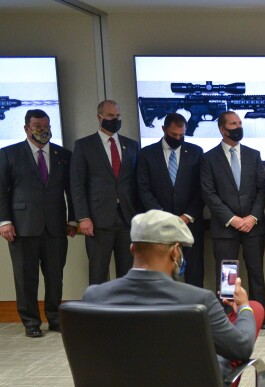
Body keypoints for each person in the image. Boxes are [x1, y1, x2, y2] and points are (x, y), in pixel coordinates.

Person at [82, 209, 265, 387]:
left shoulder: (94, 297)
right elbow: (240, 348)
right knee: (253, 314)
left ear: (132, 248)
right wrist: (245, 308)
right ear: (175, 252)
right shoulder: (198, 300)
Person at [0, 109, 76, 337]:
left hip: (55, 226)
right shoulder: (8, 154)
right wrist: (4, 221)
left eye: (46, 125)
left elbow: (72, 190)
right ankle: (31, 322)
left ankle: (54, 318)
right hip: (22, 226)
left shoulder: (63, 155)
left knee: (55, 275)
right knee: (26, 277)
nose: (43, 130)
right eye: (37, 126)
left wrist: (72, 219)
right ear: (26, 128)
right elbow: (1, 191)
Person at [200, 111, 265, 329]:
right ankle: (228, 318)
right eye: (233, 123)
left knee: (256, 272)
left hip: (253, 226)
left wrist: (253, 217)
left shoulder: (254, 154)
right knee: (228, 276)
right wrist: (232, 219)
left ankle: (260, 316)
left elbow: (262, 190)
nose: (238, 126)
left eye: (240, 123)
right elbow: (208, 193)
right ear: (222, 129)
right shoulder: (208, 158)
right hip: (225, 228)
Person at [70, 100, 140, 284]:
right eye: (110, 116)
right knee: (98, 271)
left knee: (127, 273)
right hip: (97, 220)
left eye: (118, 116)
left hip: (126, 219)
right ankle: (98, 312)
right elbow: (77, 184)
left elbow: (136, 183)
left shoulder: (131, 145)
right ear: (99, 117)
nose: (115, 119)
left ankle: (124, 311)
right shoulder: (84, 146)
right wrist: (83, 217)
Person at [136, 112, 205, 287]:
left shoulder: (196, 152)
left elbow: (202, 188)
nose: (178, 138)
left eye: (182, 135)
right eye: (174, 135)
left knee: (194, 272)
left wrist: (187, 216)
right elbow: (143, 189)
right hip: (159, 225)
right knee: (159, 271)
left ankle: (195, 311)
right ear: (164, 129)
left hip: (189, 224)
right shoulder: (146, 154)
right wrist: (162, 216)